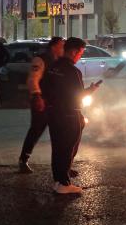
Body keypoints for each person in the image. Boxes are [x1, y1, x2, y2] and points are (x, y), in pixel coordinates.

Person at [41, 37, 100, 194]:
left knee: (57, 147)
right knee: (67, 148)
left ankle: (58, 181)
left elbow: (44, 88)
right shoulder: (73, 72)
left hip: (53, 112)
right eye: (80, 53)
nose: (80, 56)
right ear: (73, 51)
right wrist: (91, 90)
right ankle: (63, 183)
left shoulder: (53, 67)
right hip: (69, 114)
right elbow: (78, 95)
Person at [18, 37, 65, 173]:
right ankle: (23, 159)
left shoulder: (60, 62)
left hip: (56, 103)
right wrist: (37, 96)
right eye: (62, 46)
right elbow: (33, 79)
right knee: (36, 130)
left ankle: (63, 164)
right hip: (42, 101)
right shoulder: (41, 60)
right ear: (54, 46)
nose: (63, 49)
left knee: (59, 133)